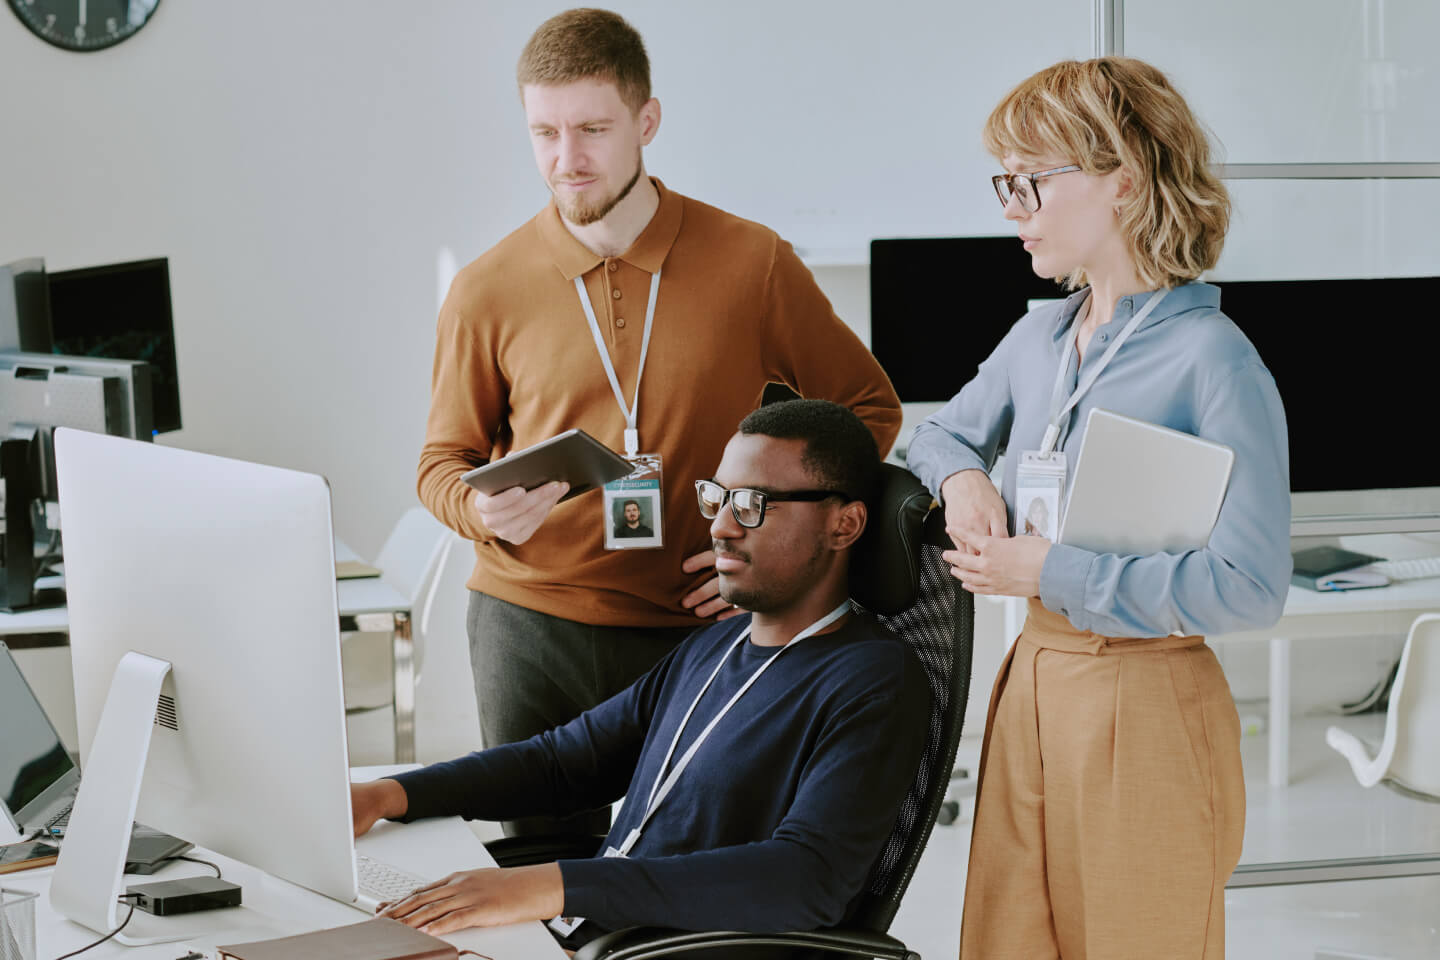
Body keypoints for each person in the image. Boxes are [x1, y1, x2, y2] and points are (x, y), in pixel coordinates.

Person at [416, 8, 900, 837]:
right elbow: (441, 461)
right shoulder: (485, 289)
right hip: (528, 624)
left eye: (593, 129)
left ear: (647, 121)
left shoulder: (753, 262)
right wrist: (476, 508)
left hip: (695, 627)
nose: (566, 160)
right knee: (537, 886)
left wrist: (776, 550)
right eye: (544, 133)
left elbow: (868, 410)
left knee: (683, 877)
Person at [905, 58, 1291, 959]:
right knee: (1006, 942)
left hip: (1147, 700)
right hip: (1032, 686)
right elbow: (937, 437)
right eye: (1006, 182)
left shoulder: (1214, 362)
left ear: (1120, 179)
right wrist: (963, 478)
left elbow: (1250, 587)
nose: (1010, 207)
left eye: (1029, 180)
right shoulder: (1039, 336)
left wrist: (1053, 572)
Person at [356, 400, 930, 950]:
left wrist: (549, 886)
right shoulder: (716, 644)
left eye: (753, 503)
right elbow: (564, 761)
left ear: (845, 524)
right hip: (584, 934)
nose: (722, 527)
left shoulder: (874, 679)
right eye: (718, 498)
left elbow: (806, 880)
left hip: (664, 951)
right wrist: (390, 794)